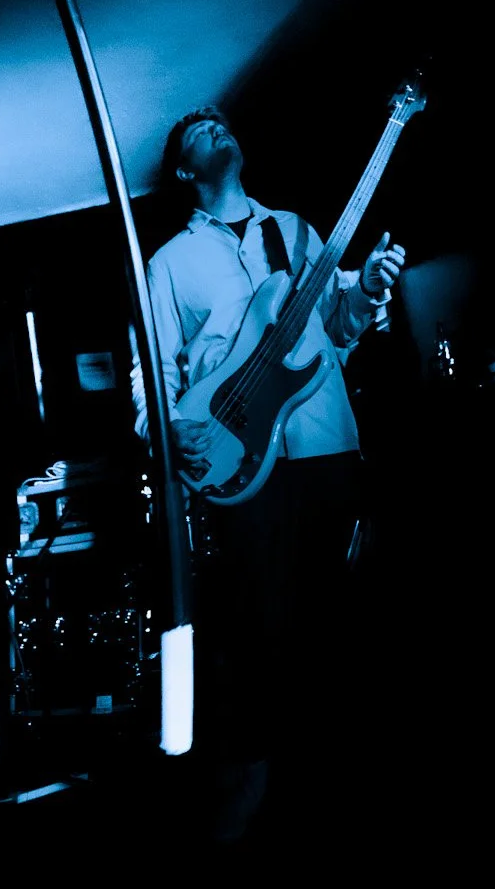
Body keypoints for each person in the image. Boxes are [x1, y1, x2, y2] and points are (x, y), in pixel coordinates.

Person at [136, 105, 406, 847]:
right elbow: (151, 381)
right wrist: (171, 435)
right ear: (185, 171)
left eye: (222, 120)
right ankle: (261, 797)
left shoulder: (297, 230)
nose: (215, 125)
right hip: (240, 471)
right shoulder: (167, 264)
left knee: (345, 620)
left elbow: (340, 332)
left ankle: (343, 783)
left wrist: (370, 289)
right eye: (197, 129)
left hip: (326, 450)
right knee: (264, 631)